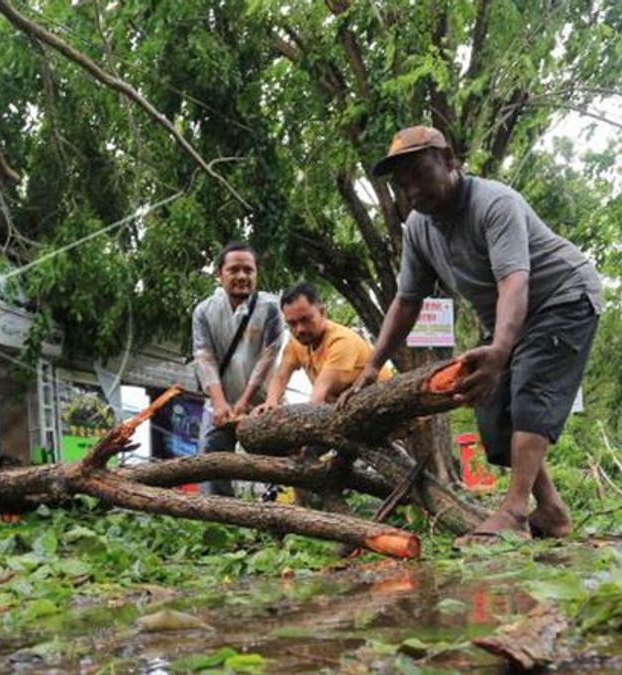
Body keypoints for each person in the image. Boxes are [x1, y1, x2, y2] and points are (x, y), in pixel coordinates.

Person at [340, 126, 602, 544]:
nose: (412, 189)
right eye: (402, 182)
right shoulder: (419, 229)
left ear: (449, 160)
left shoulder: (494, 204)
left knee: (530, 391)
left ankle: (515, 513)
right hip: (507, 314)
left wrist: (500, 349)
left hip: (561, 296)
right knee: (492, 411)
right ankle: (551, 510)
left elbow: (514, 282)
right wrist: (372, 367)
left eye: (420, 173)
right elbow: (407, 301)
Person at [191, 242, 284, 496]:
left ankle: (283, 525)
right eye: (234, 270)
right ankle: (219, 525)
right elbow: (204, 357)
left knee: (277, 469)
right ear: (219, 274)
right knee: (211, 467)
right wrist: (220, 403)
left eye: (248, 270)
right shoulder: (203, 312)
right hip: (220, 405)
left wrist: (244, 402)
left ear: (256, 274)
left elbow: (269, 355)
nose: (242, 276)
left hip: (264, 403)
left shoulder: (271, 308)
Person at [252, 282, 390, 413]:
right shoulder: (295, 342)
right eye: (292, 324)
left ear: (322, 312)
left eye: (305, 320)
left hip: (383, 403)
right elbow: (281, 376)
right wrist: (270, 402)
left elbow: (320, 391)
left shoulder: (341, 341)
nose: (299, 329)